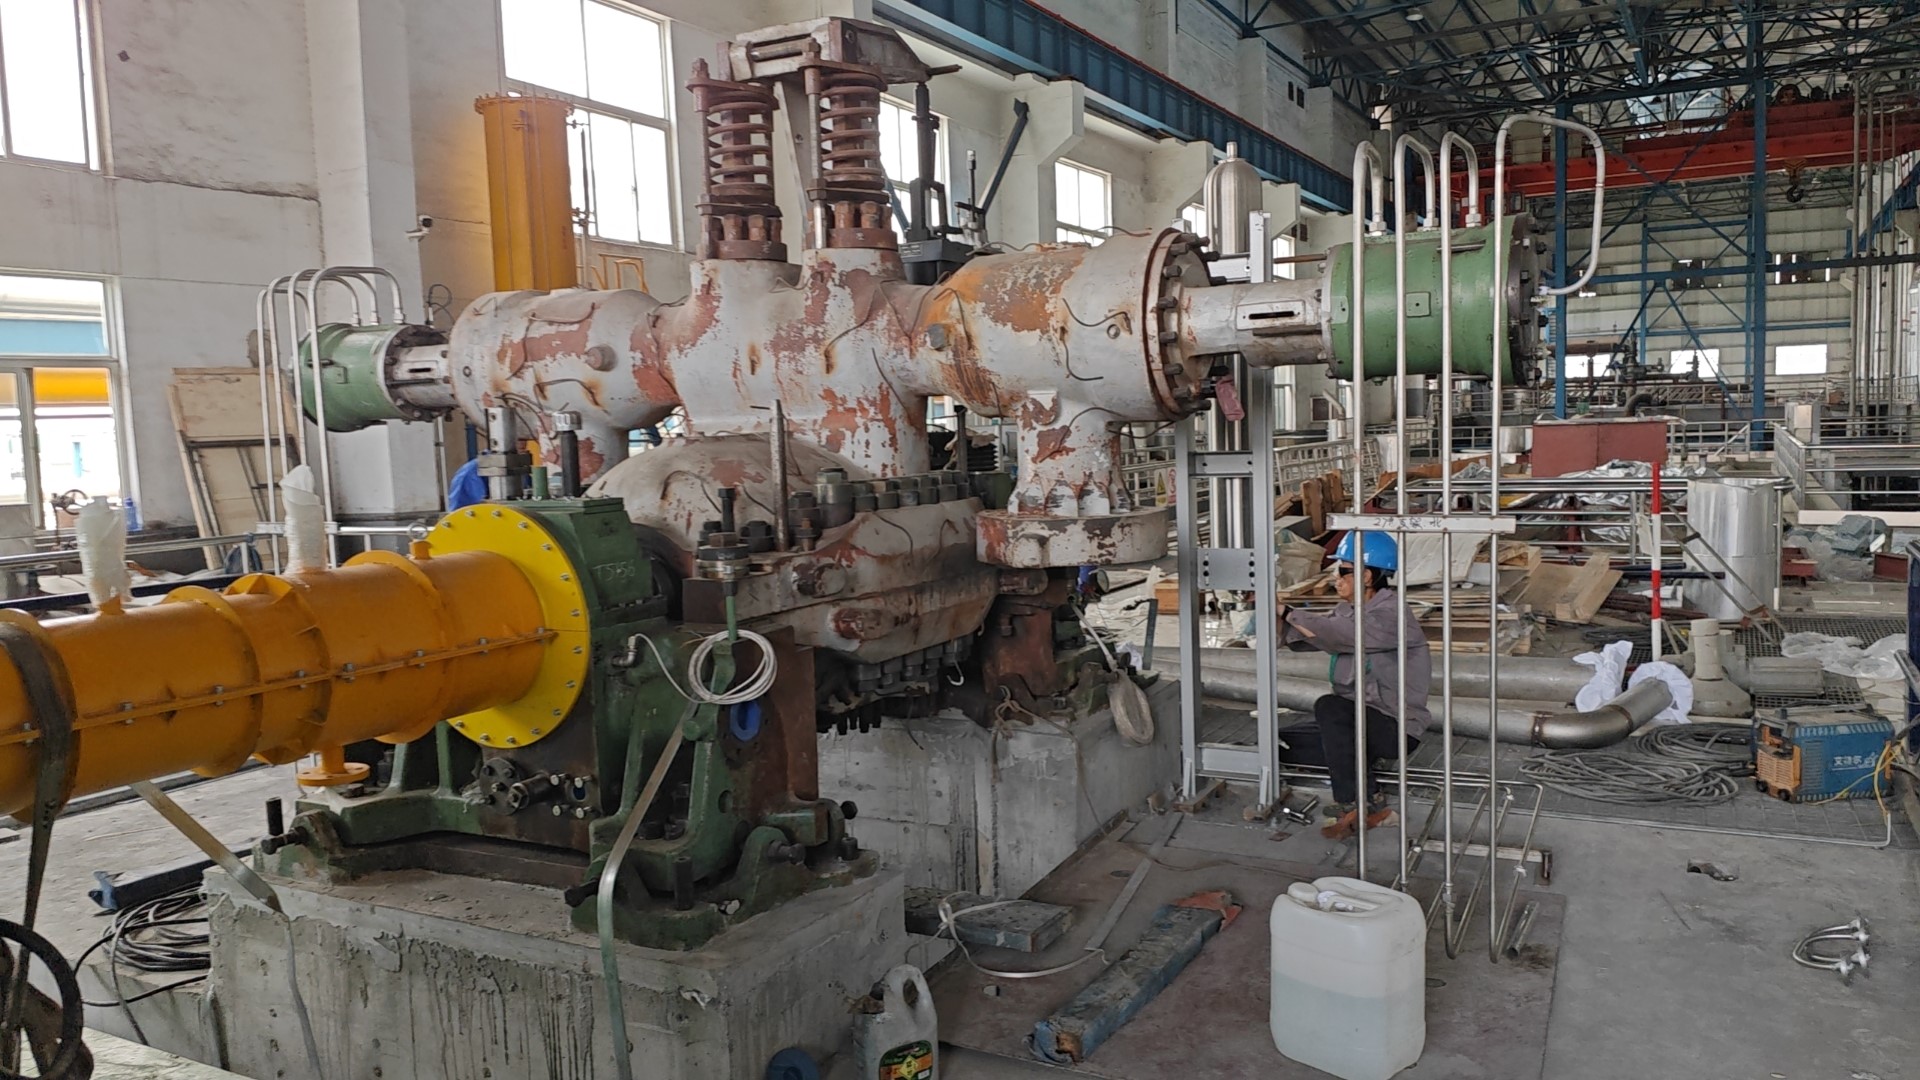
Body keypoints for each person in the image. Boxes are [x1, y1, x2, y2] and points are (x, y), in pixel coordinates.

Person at [1278, 530, 1432, 840]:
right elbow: (1314, 636)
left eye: (1343, 570)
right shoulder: (1347, 611)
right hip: (1359, 723)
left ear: (1366, 576)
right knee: (1284, 742)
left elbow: (1342, 634)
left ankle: (1358, 801)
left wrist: (1287, 611)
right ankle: (1364, 772)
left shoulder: (1391, 615)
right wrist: (1272, 615)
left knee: (1329, 707)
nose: (1336, 578)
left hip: (1394, 727)